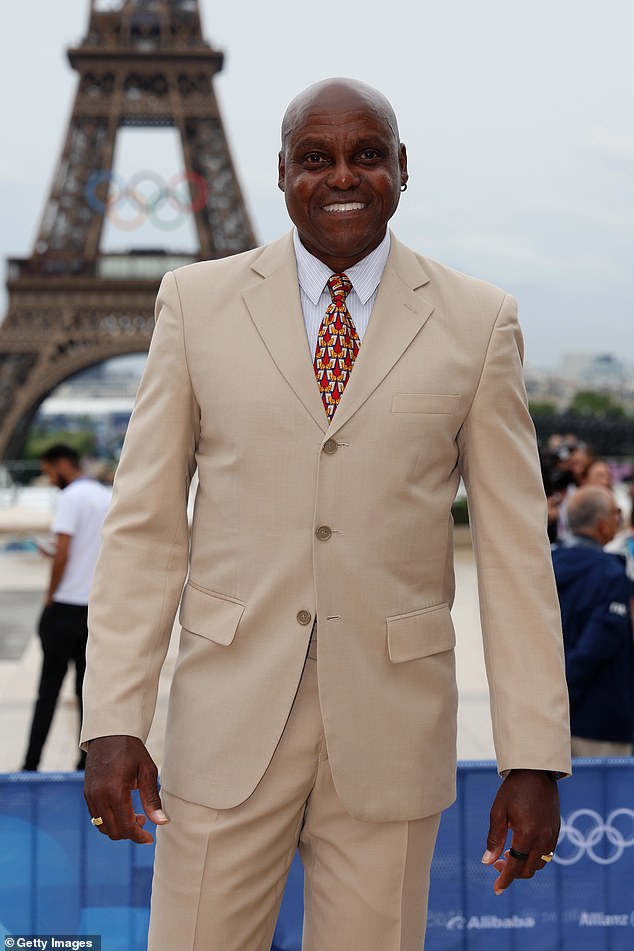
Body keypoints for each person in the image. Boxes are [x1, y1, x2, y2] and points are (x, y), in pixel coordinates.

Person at [82, 78, 571, 951]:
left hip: (392, 733)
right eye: (316, 158)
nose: (342, 176)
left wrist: (532, 753)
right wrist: (113, 719)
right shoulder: (193, 304)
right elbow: (145, 530)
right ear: (280, 174)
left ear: (401, 168)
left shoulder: (478, 321)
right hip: (224, 725)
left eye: (365, 155)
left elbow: (513, 554)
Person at [21, 444, 110, 771]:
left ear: (61, 464)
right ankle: (84, 764)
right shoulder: (104, 496)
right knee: (86, 691)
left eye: (48, 472)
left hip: (65, 609)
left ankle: (31, 764)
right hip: (94, 611)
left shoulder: (70, 497)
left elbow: (64, 551)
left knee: (48, 692)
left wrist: (50, 595)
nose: (49, 479)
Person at [552, 485, 634, 756]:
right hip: (601, 719)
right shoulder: (611, 576)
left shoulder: (547, 565)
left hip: (550, 719)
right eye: (615, 512)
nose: (619, 518)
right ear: (601, 523)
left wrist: (553, 701)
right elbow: (595, 647)